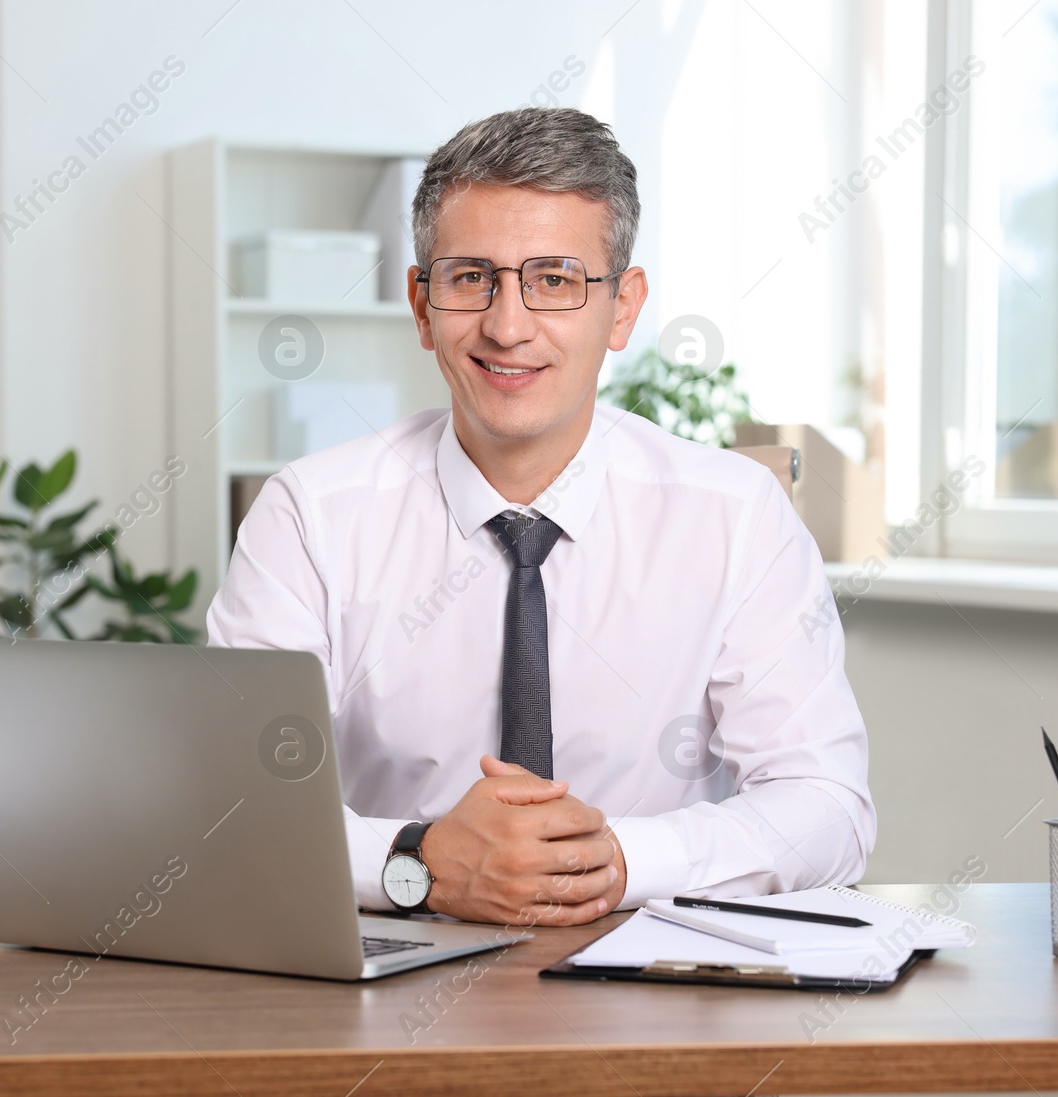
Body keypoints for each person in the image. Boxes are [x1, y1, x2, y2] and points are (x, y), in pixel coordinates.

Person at [208, 107, 874, 927]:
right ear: (421, 305)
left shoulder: (735, 516)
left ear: (622, 307)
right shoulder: (311, 516)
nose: (508, 325)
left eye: (554, 279)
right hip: (385, 983)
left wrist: (620, 861)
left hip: (651, 983)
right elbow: (236, 803)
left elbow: (828, 807)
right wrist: (418, 862)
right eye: (469, 278)